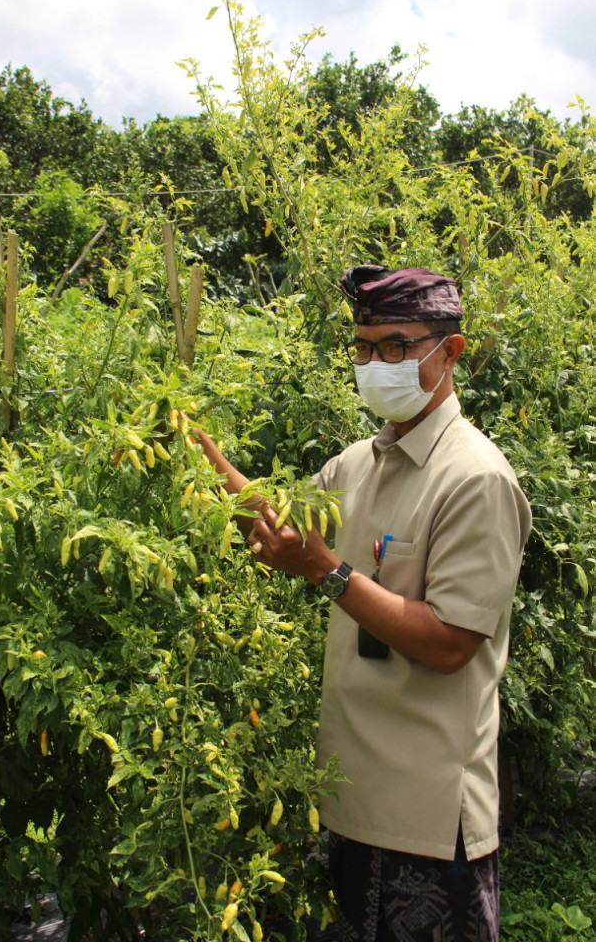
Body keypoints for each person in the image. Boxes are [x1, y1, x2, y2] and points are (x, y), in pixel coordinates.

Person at [194, 265, 532, 942]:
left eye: (396, 347)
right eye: (364, 347)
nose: (376, 363)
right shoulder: (359, 464)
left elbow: (448, 643)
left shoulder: (475, 480)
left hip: (430, 826)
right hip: (352, 807)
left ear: (450, 351)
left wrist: (327, 571)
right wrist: (199, 457)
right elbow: (282, 524)